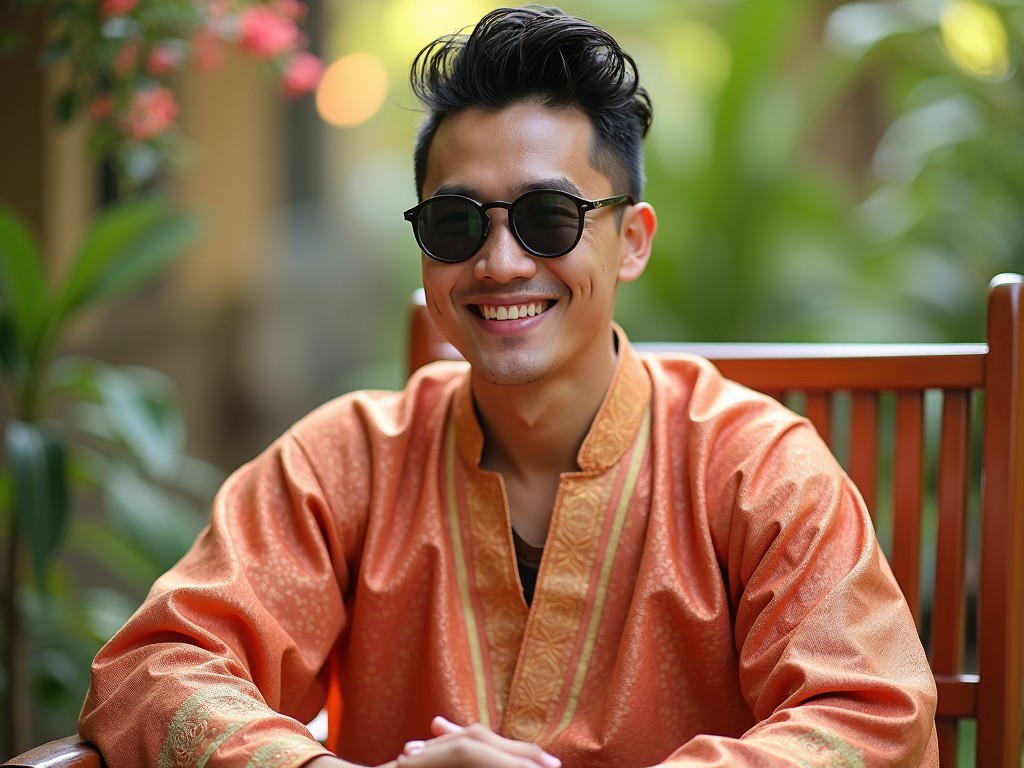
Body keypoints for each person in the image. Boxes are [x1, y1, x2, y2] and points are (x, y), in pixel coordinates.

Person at [78, 6, 938, 767]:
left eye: (548, 218)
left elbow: (870, 715)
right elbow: (155, 669)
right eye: (457, 223)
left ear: (632, 240)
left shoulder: (754, 469)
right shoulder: (346, 462)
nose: (499, 263)